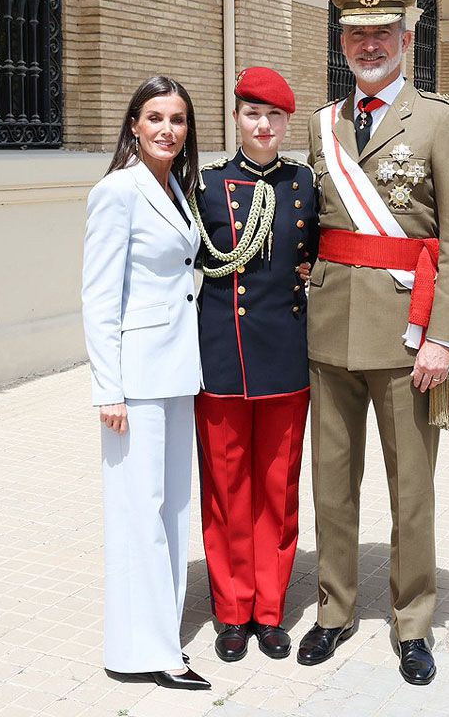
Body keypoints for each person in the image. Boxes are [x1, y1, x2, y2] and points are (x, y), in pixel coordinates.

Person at [297, 0, 449, 685]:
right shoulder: (323, 125)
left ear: (405, 40)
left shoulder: (439, 119)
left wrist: (444, 338)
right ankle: (334, 610)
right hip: (328, 332)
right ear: (342, 44)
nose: (367, 45)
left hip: (409, 340)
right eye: (354, 35)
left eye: (381, 34)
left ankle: (412, 623)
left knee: (411, 490)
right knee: (331, 486)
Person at [82, 75, 210, 690]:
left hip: (178, 371)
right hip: (134, 379)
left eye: (178, 120)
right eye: (154, 117)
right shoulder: (118, 191)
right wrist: (107, 388)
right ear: (133, 124)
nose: (166, 129)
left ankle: (157, 636)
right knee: (138, 512)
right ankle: (148, 653)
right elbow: (99, 297)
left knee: (171, 509)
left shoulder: (177, 188)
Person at [190, 67, 319, 662]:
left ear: (287, 122)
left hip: (286, 357)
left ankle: (270, 611)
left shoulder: (305, 184)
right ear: (236, 118)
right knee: (225, 490)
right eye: (251, 114)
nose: (263, 125)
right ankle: (231, 611)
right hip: (221, 359)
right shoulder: (206, 186)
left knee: (277, 489)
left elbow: (322, 255)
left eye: (273, 116)